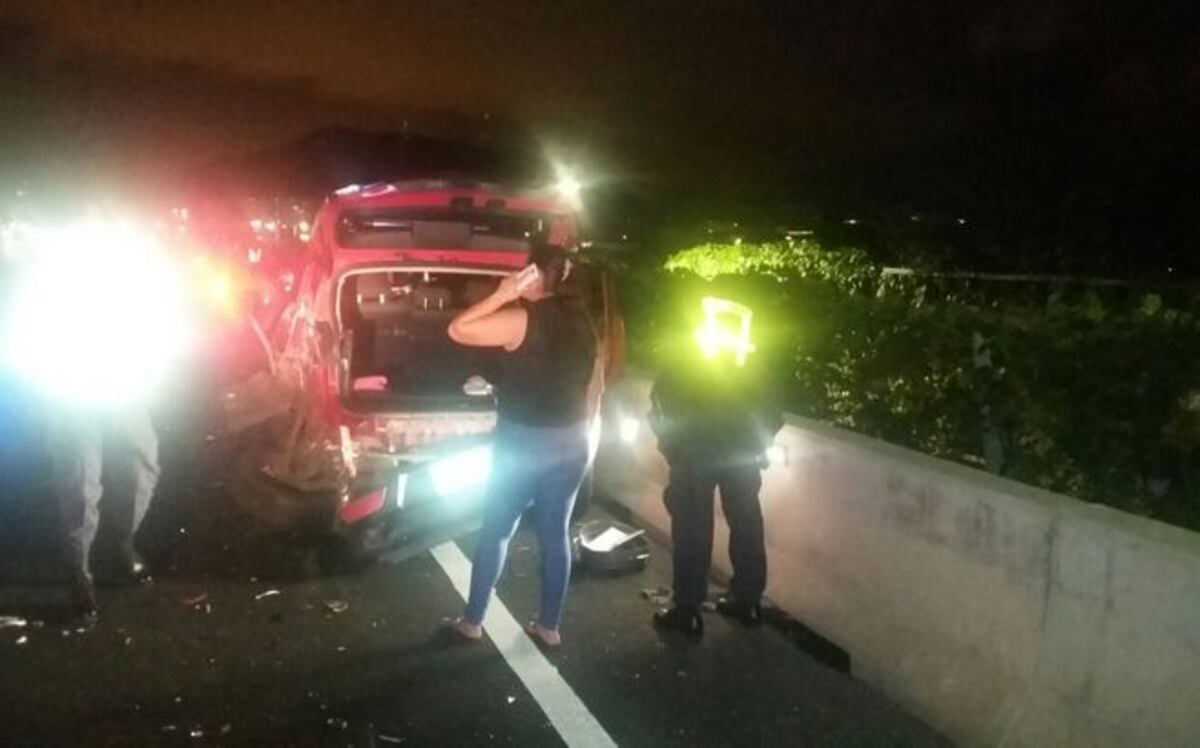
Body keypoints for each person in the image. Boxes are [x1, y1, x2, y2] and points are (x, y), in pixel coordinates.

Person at [445, 241, 599, 648]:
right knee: (555, 534)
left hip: (523, 443)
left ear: (535, 275)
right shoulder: (586, 323)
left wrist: (502, 293)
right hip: (573, 439)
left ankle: (473, 621)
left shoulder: (520, 319)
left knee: (497, 530)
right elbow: (593, 388)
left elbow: (458, 329)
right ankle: (549, 627)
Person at [648, 293, 782, 638]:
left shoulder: (687, 359)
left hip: (695, 453)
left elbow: (661, 402)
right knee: (747, 522)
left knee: (692, 529)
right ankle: (749, 601)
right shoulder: (753, 362)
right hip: (742, 455)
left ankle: (688, 610)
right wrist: (759, 445)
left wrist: (672, 447)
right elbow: (772, 411)